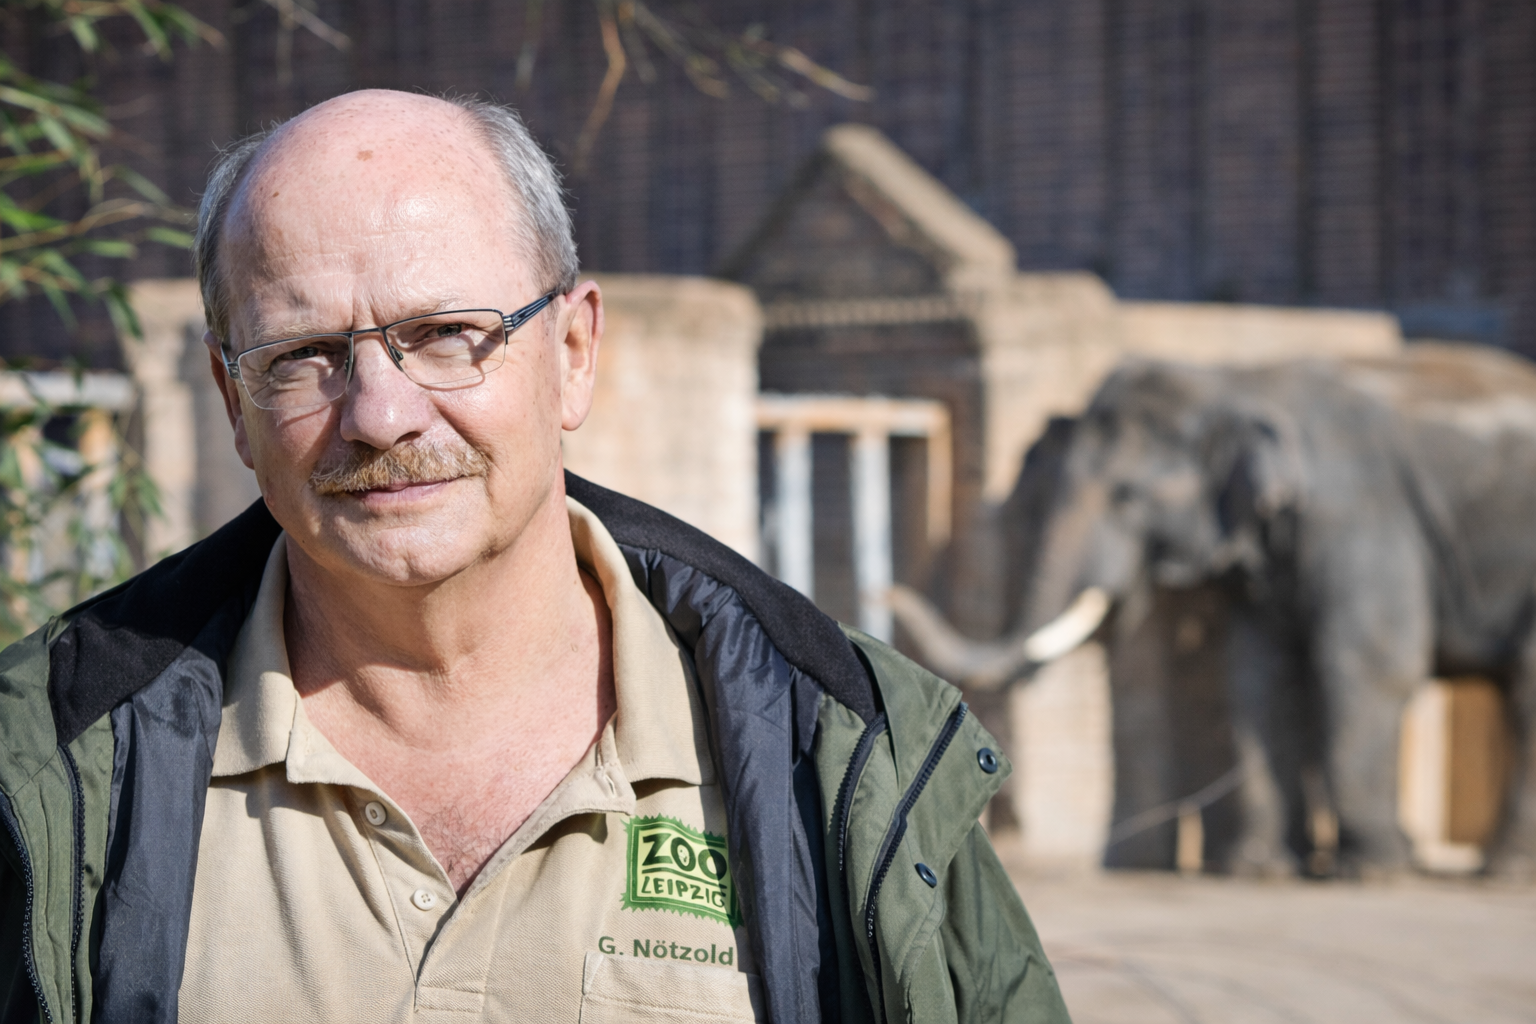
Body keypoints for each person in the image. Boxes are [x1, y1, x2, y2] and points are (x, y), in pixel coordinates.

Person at [0, 90, 1070, 1023]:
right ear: (234, 401)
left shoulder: (838, 758)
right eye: (303, 355)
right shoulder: (54, 767)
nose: (378, 413)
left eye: (446, 334)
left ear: (572, 352)